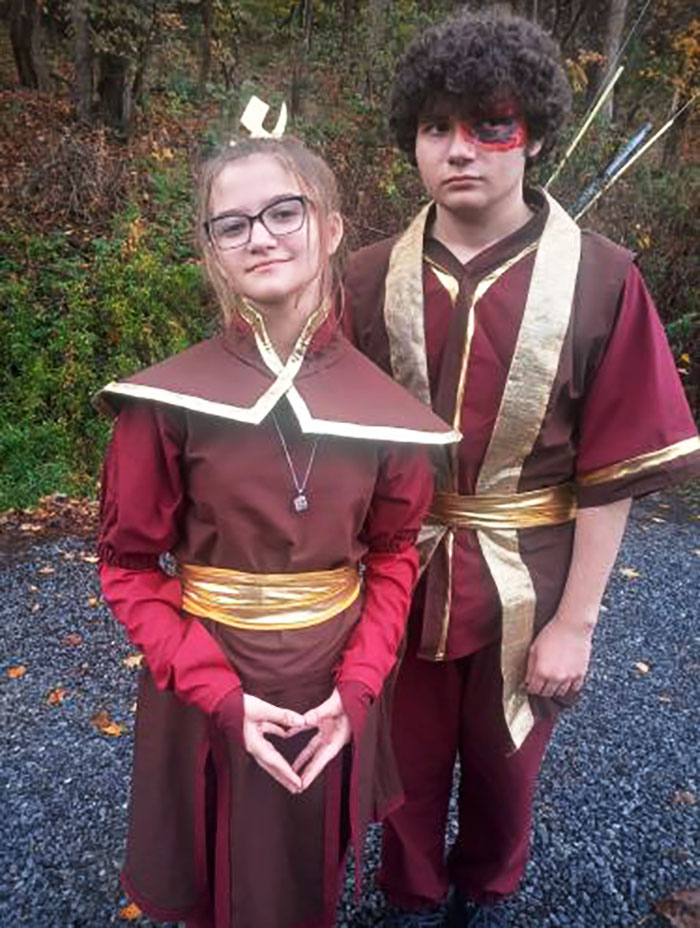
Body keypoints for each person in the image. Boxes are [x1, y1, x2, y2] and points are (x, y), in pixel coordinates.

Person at [342, 9, 700, 928]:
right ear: (411, 141)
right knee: (404, 774)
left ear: (531, 133)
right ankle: (411, 903)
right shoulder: (364, 277)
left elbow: (613, 471)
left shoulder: (604, 279)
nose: (461, 149)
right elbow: (326, 451)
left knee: (506, 779)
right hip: (399, 577)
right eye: (437, 127)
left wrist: (577, 624)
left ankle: (487, 900)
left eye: (489, 124)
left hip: (529, 583)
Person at [96, 134, 459, 928]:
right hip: (205, 676)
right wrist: (215, 690)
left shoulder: (387, 413)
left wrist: (361, 684)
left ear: (330, 227)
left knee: (300, 871)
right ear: (213, 252)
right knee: (218, 863)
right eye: (232, 224)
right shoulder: (165, 405)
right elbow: (126, 567)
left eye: (283, 211)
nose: (259, 236)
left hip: (329, 681)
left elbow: (397, 553)